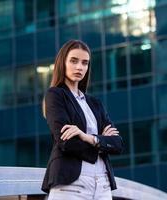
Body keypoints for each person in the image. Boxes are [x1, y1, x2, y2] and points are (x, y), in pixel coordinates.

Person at [41, 39, 124, 200]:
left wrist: (88, 137)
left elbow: (118, 144)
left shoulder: (95, 103)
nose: (79, 67)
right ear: (62, 63)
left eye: (85, 63)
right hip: (71, 185)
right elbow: (66, 142)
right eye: (73, 61)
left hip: (103, 185)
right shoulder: (55, 95)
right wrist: (101, 142)